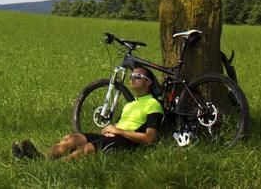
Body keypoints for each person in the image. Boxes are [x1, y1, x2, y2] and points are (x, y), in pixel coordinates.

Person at [12, 66, 163, 160]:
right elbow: (122, 124)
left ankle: (50, 166)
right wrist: (110, 128)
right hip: (115, 135)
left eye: (138, 77)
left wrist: (117, 130)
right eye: (131, 76)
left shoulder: (153, 105)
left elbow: (150, 138)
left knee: (86, 149)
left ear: (148, 82)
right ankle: (41, 157)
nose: (132, 79)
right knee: (72, 138)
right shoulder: (130, 105)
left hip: (127, 142)